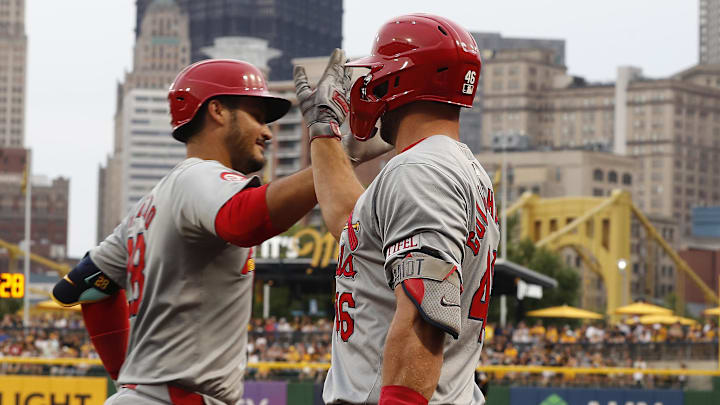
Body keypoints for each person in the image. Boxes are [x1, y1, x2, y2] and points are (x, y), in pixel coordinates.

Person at [51, 59, 385, 404]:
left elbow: (85, 286)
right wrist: (335, 151)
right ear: (217, 111)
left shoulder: (147, 206)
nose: (267, 132)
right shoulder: (199, 177)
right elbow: (242, 220)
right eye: (257, 115)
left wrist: (127, 379)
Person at [294, 14, 500, 405]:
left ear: (398, 80)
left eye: (378, 75)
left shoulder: (419, 171)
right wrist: (324, 134)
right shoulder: (452, 167)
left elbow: (427, 309)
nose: (369, 85)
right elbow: (351, 223)